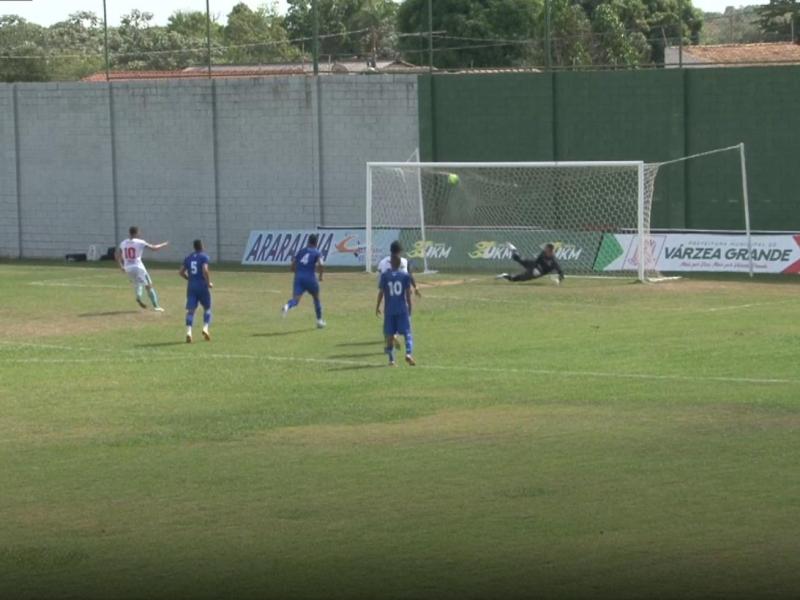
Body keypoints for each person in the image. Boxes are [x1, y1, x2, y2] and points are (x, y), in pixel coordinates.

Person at [116, 226, 168, 311]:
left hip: (128, 268)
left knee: (138, 284)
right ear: (137, 233)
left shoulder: (123, 243)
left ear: (129, 233)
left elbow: (117, 255)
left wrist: (121, 266)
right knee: (149, 286)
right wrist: (163, 244)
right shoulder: (140, 242)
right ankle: (156, 306)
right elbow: (154, 248)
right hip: (138, 267)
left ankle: (138, 296)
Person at [376, 254, 416, 367]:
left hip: (389, 309)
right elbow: (408, 295)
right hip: (402, 308)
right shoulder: (405, 276)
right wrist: (410, 309)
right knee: (407, 333)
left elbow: (381, 292)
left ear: (391, 264)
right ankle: (408, 353)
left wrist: (377, 306)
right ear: (401, 264)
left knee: (389, 334)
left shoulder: (385, 276)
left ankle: (391, 360)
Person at [282, 234, 326, 328]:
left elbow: (293, 264)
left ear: (308, 242)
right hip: (310, 278)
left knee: (295, 300)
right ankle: (319, 321)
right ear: (316, 243)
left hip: (299, 278)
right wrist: (321, 276)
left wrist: (294, 270)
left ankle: (287, 306)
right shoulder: (317, 252)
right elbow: (321, 264)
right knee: (316, 298)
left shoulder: (301, 251)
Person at [179, 239, 213, 343]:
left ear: (194, 247)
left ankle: (189, 332)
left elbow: (181, 272)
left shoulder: (188, 258)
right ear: (202, 246)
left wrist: (189, 278)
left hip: (191, 287)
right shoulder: (204, 257)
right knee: (207, 308)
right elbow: (205, 270)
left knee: (191, 311)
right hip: (202, 286)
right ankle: (205, 328)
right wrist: (208, 283)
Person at [496, 243, 565, 283]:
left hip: (537, 272)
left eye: (546, 249)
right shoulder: (543, 254)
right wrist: (534, 266)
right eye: (545, 249)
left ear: (550, 251)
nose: (544, 250)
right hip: (533, 265)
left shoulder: (553, 261)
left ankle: (504, 275)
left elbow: (561, 272)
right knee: (518, 258)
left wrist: (558, 280)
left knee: (517, 279)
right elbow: (537, 260)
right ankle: (514, 250)